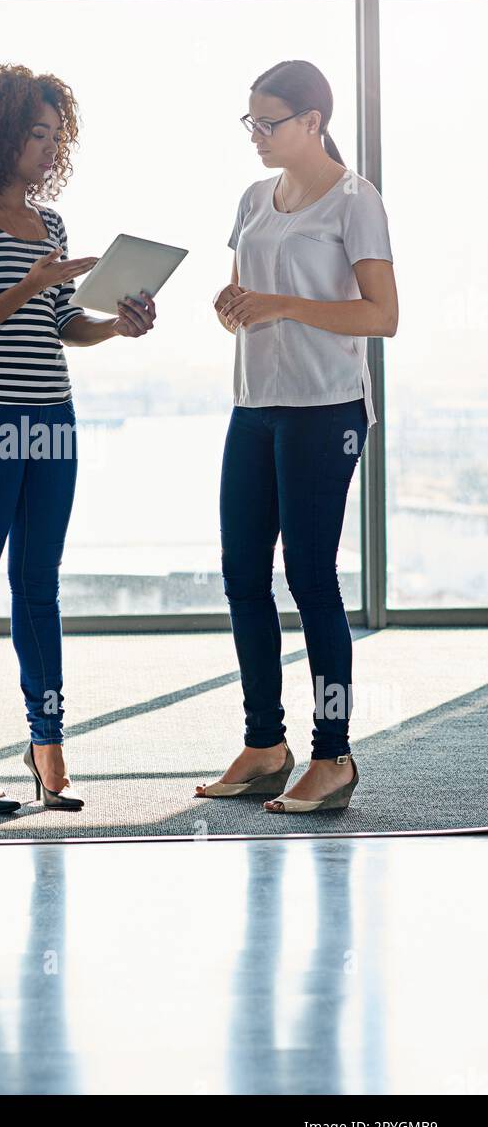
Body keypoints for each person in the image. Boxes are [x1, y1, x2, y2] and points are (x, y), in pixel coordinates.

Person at [0, 63, 157, 815]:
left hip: (51, 418)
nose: (48, 148)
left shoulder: (53, 225)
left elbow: (62, 327)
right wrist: (29, 283)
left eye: (56, 136)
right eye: (35, 133)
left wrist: (114, 326)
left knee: (40, 586)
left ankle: (47, 741)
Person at [194, 59, 398, 814]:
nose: (255, 135)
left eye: (268, 122)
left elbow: (380, 316)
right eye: (248, 121)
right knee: (242, 575)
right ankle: (263, 745)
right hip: (254, 404)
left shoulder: (354, 200)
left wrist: (280, 304)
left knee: (309, 577)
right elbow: (251, 300)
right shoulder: (253, 197)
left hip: (325, 407)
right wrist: (235, 305)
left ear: (314, 121)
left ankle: (333, 754)